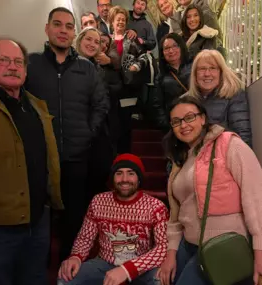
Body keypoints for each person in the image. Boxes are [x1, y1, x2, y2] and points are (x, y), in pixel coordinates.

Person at [25, 7, 109, 261]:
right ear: (47, 28)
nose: (63, 31)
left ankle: (69, 261)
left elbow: (101, 104)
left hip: (77, 154)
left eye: (69, 26)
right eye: (57, 25)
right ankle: (39, 262)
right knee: (40, 212)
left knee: (74, 213)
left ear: (74, 32)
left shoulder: (86, 68)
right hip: (40, 156)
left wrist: (88, 132)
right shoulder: (31, 63)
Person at [0, 36, 63, 285]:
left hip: (37, 222)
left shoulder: (36, 106)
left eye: (18, 62)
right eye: (4, 60)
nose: (13, 66)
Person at [158, 95, 262, 285]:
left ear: (203, 118)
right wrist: (171, 253)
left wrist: (260, 252)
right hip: (188, 245)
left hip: (222, 246)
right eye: (176, 121)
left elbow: (256, 199)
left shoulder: (229, 145)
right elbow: (177, 213)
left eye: (190, 117)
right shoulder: (180, 158)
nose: (184, 125)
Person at [58, 153, 169, 285]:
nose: (124, 179)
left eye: (131, 173)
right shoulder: (98, 201)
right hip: (105, 264)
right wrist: (76, 257)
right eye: (119, 173)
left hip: (140, 266)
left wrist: (128, 269)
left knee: (160, 280)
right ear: (113, 177)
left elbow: (163, 247)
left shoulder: (156, 207)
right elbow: (85, 238)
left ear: (139, 179)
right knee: (65, 278)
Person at [109, 5, 157, 153]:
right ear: (112, 22)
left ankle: (124, 155)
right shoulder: (105, 40)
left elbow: (143, 56)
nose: (121, 22)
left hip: (127, 88)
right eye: (118, 20)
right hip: (109, 89)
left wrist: (136, 66)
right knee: (111, 124)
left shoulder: (131, 40)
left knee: (125, 125)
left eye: (123, 20)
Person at [75, 27, 115, 199]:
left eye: (97, 42)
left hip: (97, 129)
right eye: (88, 39)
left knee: (99, 173)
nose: (92, 44)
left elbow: (103, 99)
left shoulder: (99, 68)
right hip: (76, 129)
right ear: (79, 40)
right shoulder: (69, 64)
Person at [187, 49, 252, 146]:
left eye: (213, 68)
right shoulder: (187, 99)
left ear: (221, 72)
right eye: (202, 69)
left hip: (222, 156)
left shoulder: (234, 94)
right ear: (195, 74)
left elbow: (242, 134)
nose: (207, 74)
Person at [152, 33, 191, 132]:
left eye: (175, 46)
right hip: (175, 123)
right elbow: (157, 105)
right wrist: (166, 125)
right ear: (162, 53)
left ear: (181, 47)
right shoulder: (160, 77)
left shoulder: (194, 68)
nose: (171, 51)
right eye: (166, 48)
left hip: (194, 118)